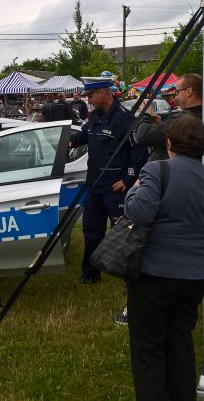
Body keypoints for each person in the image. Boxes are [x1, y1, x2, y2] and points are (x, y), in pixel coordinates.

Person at [123, 115, 204, 400]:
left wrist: (133, 190)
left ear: (169, 143)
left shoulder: (155, 170)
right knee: (180, 345)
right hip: (194, 276)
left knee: (148, 351)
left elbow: (139, 213)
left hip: (154, 276)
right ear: (203, 146)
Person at [70, 77, 147, 286]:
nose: (88, 100)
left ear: (103, 93)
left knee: (123, 234)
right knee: (91, 232)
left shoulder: (125, 118)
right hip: (94, 186)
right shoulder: (95, 117)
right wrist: (68, 140)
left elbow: (139, 152)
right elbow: (84, 136)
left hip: (115, 189)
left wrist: (128, 179)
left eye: (91, 96)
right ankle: (90, 274)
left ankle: (130, 279)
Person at [133, 73, 204, 161]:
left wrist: (145, 114)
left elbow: (142, 135)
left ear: (189, 91)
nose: (176, 97)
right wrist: (161, 125)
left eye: (177, 92)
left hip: (167, 168)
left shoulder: (183, 120)